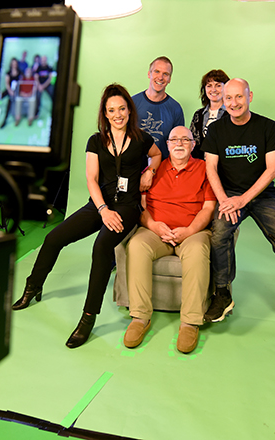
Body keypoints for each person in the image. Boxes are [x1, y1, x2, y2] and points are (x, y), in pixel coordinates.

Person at [12, 83, 162, 349]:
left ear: (129, 110)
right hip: (99, 204)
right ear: (105, 113)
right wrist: (103, 210)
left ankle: (88, 317)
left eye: (122, 109)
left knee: (102, 245)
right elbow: (91, 179)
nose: (117, 114)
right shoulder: (96, 140)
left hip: (127, 207)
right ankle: (32, 287)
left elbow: (157, 154)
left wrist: (150, 170)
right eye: (111, 110)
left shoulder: (141, 138)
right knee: (54, 237)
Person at [201, 78, 275, 341]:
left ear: (250, 96)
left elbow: (272, 169)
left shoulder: (267, 127)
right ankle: (223, 295)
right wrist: (224, 200)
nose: (233, 103)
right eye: (228, 98)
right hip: (229, 195)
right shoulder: (217, 130)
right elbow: (210, 168)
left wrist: (244, 200)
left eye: (239, 97)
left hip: (262, 195)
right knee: (219, 235)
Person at [123, 126, 216, 354]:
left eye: (186, 139)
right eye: (174, 139)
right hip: (157, 231)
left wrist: (190, 230)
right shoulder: (153, 170)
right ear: (167, 145)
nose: (180, 143)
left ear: (193, 145)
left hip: (192, 231)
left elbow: (209, 207)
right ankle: (140, 317)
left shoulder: (205, 169)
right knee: (136, 245)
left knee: (197, 252)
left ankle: (190, 322)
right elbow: (141, 208)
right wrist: (154, 225)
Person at [132, 56, 185, 159]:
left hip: (163, 169)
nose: (160, 77)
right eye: (157, 71)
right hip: (134, 167)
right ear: (149, 74)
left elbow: (177, 144)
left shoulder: (175, 108)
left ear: (169, 79)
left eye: (165, 74)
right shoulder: (132, 103)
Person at [189, 69, 230, 160]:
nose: (213, 90)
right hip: (200, 166)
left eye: (218, 85)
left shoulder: (231, 114)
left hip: (224, 167)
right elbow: (191, 143)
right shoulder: (198, 115)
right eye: (209, 86)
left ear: (226, 88)